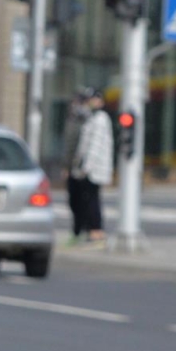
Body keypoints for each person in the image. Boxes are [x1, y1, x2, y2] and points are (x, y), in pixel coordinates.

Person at [69, 89, 113, 243]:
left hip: (94, 169)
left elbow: (94, 146)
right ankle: (89, 230)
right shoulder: (90, 118)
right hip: (87, 168)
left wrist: (86, 168)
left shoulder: (100, 119)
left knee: (92, 200)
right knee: (85, 200)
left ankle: (96, 231)